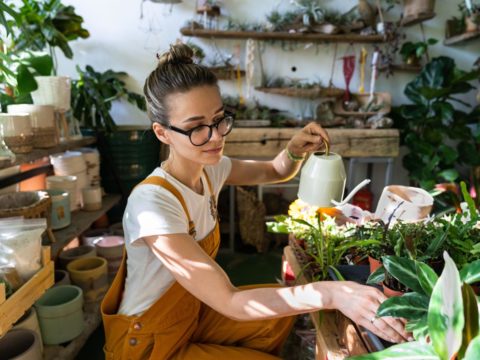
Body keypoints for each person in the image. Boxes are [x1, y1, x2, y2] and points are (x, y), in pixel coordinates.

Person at [101, 43, 409, 360]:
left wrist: (294, 149)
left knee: (277, 313)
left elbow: (275, 170)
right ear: (162, 133)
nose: (217, 137)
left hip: (191, 315)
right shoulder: (152, 203)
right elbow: (230, 301)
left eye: (219, 119)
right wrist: (332, 293)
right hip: (150, 343)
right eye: (196, 128)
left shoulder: (210, 170)